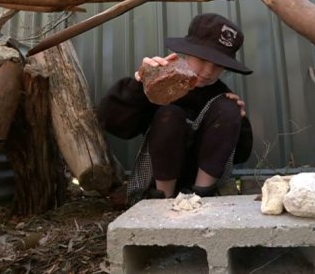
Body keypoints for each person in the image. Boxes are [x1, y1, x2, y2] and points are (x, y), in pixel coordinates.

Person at [97, 13, 253, 205]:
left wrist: (238, 119)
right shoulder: (162, 82)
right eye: (202, 59)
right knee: (170, 113)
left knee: (228, 108)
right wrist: (141, 82)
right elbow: (111, 120)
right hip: (156, 179)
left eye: (218, 65)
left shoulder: (220, 96)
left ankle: (202, 195)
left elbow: (240, 155)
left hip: (204, 185)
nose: (207, 71)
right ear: (186, 52)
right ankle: (163, 199)